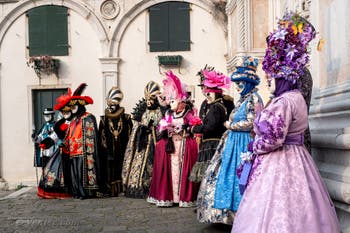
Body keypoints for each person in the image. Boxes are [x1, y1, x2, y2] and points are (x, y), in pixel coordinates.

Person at [231, 12, 340, 233]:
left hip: (279, 160)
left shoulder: (283, 102)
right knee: (304, 203)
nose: (269, 81)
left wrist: (254, 147)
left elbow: (274, 137)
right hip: (299, 156)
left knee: (275, 206)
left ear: (282, 77)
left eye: (272, 77)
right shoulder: (297, 97)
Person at [197, 56, 263, 224]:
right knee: (226, 175)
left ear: (248, 83)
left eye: (241, 83)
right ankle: (226, 213)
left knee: (242, 176)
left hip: (243, 144)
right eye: (237, 84)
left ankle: (243, 215)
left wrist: (230, 125)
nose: (238, 87)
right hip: (232, 143)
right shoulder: (243, 99)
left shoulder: (254, 99)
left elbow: (253, 122)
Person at [147, 70, 199, 207]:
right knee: (170, 172)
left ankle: (182, 197)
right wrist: (165, 129)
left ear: (181, 101)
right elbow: (162, 126)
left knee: (181, 172)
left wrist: (185, 128)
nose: (170, 103)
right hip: (171, 148)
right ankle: (171, 197)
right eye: (170, 100)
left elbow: (194, 126)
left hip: (183, 147)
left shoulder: (188, 113)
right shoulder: (169, 113)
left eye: (173, 100)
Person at [122, 81, 163, 198]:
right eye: (147, 99)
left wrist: (154, 129)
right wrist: (143, 129)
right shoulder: (144, 112)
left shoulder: (161, 112)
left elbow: (163, 127)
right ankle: (138, 186)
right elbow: (136, 127)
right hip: (143, 144)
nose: (149, 102)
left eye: (151, 99)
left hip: (156, 144)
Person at [189, 67, 230, 183]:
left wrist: (194, 128)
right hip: (208, 142)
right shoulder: (214, 105)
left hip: (213, 143)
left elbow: (210, 126)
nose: (206, 94)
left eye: (209, 91)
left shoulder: (216, 107)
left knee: (211, 175)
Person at [65, 83, 99, 199]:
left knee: (82, 173)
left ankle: (85, 193)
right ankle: (77, 192)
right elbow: (69, 135)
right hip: (73, 151)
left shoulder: (88, 117)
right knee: (75, 174)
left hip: (84, 152)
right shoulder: (74, 120)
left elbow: (91, 136)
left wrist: (86, 148)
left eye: (74, 107)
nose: (72, 110)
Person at [98, 87, 132, 197]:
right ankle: (110, 190)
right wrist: (106, 150)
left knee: (122, 168)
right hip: (109, 152)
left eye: (112, 105)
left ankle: (123, 189)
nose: (110, 107)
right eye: (108, 105)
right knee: (110, 170)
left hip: (123, 150)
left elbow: (130, 135)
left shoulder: (126, 118)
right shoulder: (104, 119)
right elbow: (101, 137)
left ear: (117, 105)